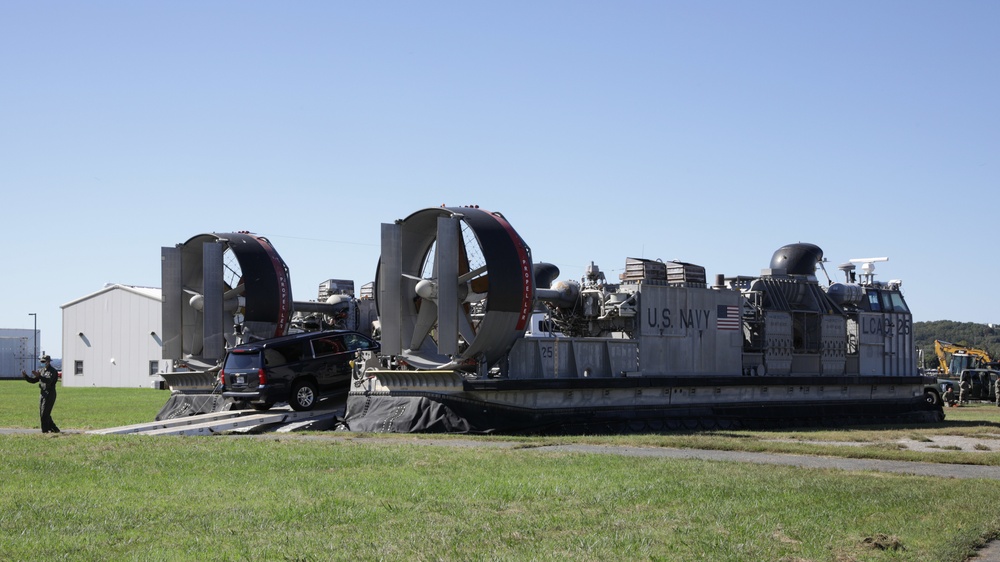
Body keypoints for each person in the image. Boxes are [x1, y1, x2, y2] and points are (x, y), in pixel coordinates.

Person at [21, 354, 60, 433]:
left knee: (44, 413)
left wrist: (40, 376)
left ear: (48, 361)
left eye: (44, 361)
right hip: (42, 394)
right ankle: (54, 429)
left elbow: (49, 381)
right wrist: (26, 377)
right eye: (41, 361)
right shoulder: (42, 370)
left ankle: (45, 431)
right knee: (43, 412)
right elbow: (34, 380)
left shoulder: (52, 371)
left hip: (50, 393)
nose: (42, 363)